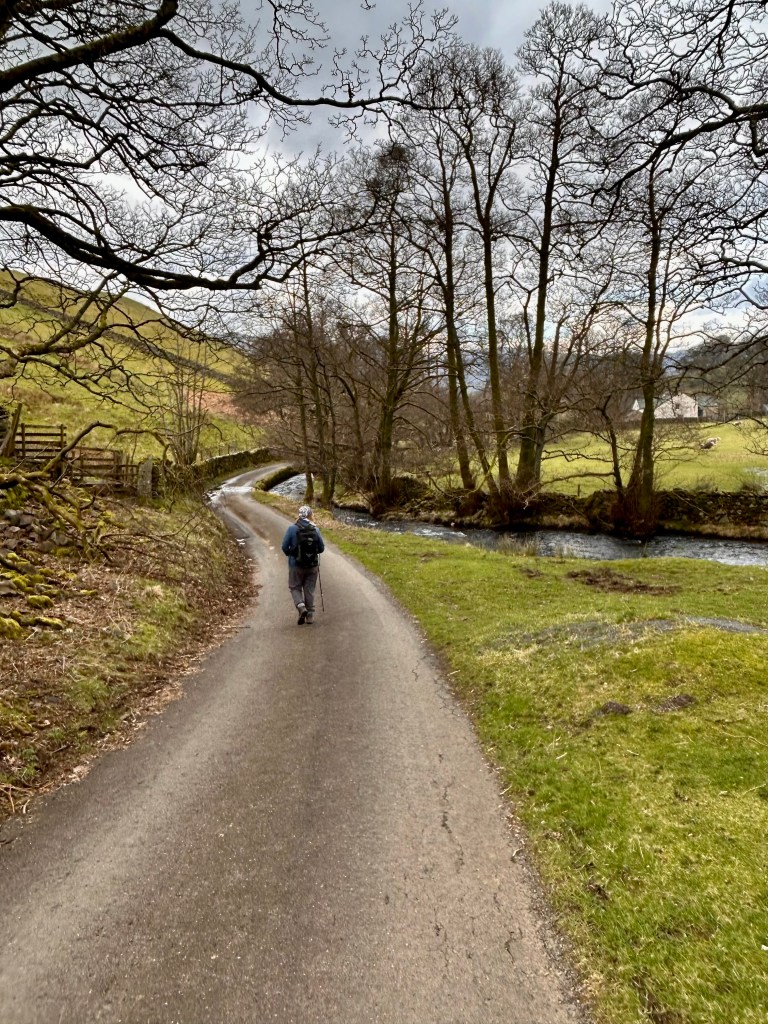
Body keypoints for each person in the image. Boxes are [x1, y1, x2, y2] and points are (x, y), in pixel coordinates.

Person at [281, 504, 325, 625]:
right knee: (309, 589)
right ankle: (309, 616)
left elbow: (284, 546)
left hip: (295, 565)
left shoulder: (292, 529)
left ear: (299, 515)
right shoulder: (315, 529)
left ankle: (301, 607)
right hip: (312, 566)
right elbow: (321, 548)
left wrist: (291, 555)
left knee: (294, 587)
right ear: (310, 515)